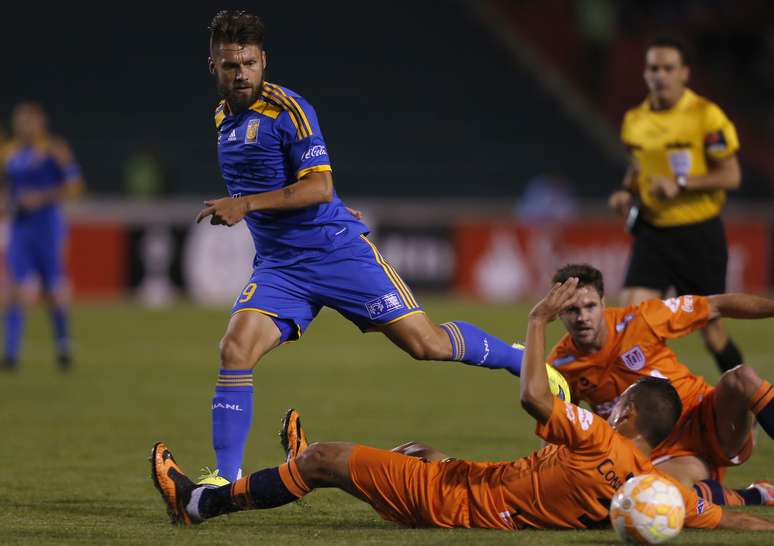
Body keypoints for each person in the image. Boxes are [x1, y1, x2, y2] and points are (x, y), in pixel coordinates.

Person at [150, 277, 774, 532]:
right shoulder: (648, 488)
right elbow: (716, 516)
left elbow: (533, 393)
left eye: (620, 404)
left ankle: (202, 502)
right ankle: (302, 472)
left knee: (326, 459)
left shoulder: (597, 435)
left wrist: (533, 321)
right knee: (417, 453)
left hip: (462, 502)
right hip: (477, 484)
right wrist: (756, 511)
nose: (610, 407)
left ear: (630, 414)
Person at [194, 10, 527, 485]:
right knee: (235, 349)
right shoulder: (223, 118)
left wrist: (245, 205)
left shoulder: (290, 110)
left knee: (426, 344)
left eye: (249, 62)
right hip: (281, 268)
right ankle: (224, 483)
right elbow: (291, 185)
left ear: (264, 61)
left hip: (336, 254)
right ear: (214, 67)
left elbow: (319, 188)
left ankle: (519, 358)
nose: (241, 73)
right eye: (230, 65)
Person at [547, 263, 774, 506]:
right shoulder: (560, 364)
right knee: (652, 495)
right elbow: (557, 426)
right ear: (559, 311)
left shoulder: (642, 321)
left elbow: (716, 305)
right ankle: (755, 495)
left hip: (709, 421)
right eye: (572, 310)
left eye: (589, 306)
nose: (582, 317)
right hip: (666, 456)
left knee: (740, 377)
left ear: (603, 303)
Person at [608, 36, 743, 374]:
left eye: (668, 68)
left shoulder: (705, 116)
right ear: (645, 74)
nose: (660, 75)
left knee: (712, 334)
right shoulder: (634, 120)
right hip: (653, 232)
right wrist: (626, 191)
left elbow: (731, 175)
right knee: (629, 324)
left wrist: (682, 184)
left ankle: (746, 403)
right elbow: (639, 165)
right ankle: (644, 414)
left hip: (699, 235)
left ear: (685, 73)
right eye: (654, 68)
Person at [0, 102, 84, 370]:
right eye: (19, 121)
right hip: (21, 230)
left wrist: (42, 197)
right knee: (14, 288)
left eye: (28, 120)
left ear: (40, 123)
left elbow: (74, 187)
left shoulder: (54, 150)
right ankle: (11, 353)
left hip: (47, 228)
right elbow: (9, 190)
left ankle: (63, 344)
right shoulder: (9, 153)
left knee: (53, 289)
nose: (23, 126)